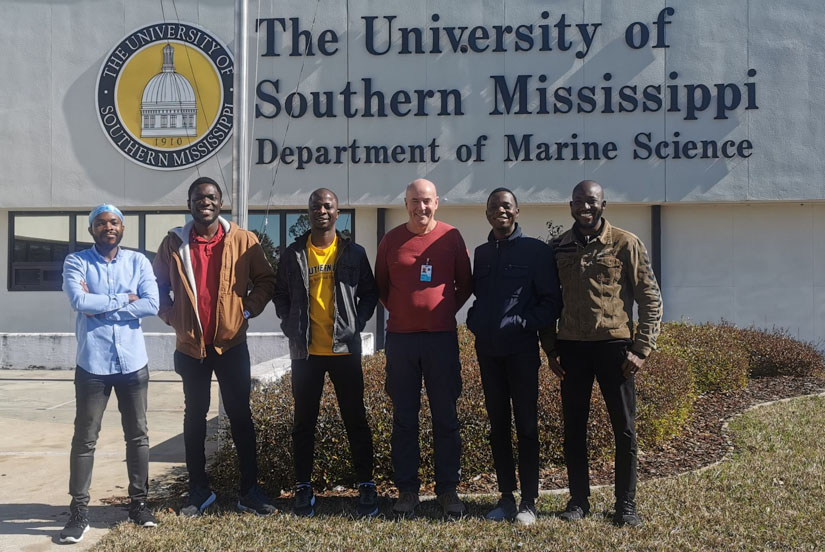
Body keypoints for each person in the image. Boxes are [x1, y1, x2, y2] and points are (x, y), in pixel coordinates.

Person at [540, 180, 662, 527]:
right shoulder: (559, 248)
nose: (585, 207)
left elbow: (649, 298)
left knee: (624, 429)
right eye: (578, 201)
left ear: (603, 205)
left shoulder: (625, 243)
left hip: (616, 349)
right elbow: (548, 301)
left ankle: (625, 504)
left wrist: (642, 348)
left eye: (591, 201)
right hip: (572, 349)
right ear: (571, 205)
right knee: (574, 428)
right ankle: (579, 500)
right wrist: (549, 346)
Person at [152, 176, 277, 516]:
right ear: (190, 204)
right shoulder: (173, 242)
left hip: (232, 344)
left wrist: (247, 309)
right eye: (197, 198)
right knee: (194, 416)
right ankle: (198, 491)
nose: (204, 202)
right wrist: (170, 315)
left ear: (220, 203)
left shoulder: (242, 239)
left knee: (240, 417)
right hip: (191, 347)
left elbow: (266, 279)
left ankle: (249, 490)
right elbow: (158, 284)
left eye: (210, 197)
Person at [273, 188, 379, 518]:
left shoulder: (354, 253)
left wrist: (355, 325)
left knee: (356, 420)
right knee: (304, 423)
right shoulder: (293, 254)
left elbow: (370, 294)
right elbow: (280, 297)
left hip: (344, 351)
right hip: (306, 353)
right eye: (316, 205)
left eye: (328, 206)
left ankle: (366, 484)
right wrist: (291, 327)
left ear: (337, 214)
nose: (322, 210)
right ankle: (303, 487)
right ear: (308, 212)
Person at [59, 204, 160, 543]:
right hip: (93, 365)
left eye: (114, 222)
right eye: (101, 223)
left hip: (133, 363)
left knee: (138, 436)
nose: (108, 227)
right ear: (92, 230)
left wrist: (101, 305)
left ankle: (139, 504)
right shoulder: (76, 262)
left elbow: (152, 304)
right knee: (85, 439)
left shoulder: (139, 262)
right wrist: (123, 300)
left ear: (122, 227)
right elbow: (78, 302)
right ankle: (78, 511)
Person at [374, 178, 473, 518]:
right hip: (401, 341)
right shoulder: (390, 241)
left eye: (427, 201)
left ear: (437, 202)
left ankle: (447, 490)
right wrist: (406, 314)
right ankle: (407, 491)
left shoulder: (451, 237)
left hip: (441, 340)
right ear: (405, 203)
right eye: (415, 201)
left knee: (446, 417)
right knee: (404, 419)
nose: (421, 207)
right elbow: (382, 288)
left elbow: (465, 284)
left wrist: (440, 312)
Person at [466, 188, 561, 526]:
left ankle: (529, 502)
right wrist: (473, 320)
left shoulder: (535, 252)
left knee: (527, 428)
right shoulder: (481, 253)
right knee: (497, 427)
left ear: (517, 211)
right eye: (494, 207)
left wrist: (522, 323)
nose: (500, 211)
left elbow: (551, 302)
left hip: (521, 353)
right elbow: (480, 298)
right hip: (488, 354)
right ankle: (506, 497)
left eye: (506, 206)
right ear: (488, 213)